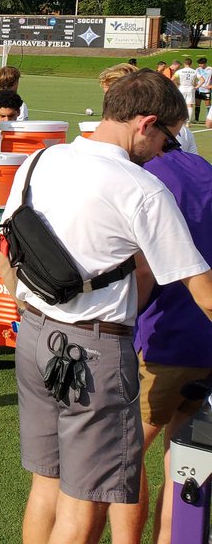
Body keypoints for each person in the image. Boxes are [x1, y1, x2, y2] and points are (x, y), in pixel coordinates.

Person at [0, 69, 212, 544]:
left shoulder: (40, 160)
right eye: (165, 138)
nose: (162, 152)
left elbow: (3, 249)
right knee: (85, 499)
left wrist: (33, 309)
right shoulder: (142, 188)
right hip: (92, 349)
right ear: (145, 123)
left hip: (32, 335)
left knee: (46, 484)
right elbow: (205, 293)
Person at [108, 148, 212, 544]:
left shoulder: (146, 179)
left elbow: (141, 268)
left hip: (166, 341)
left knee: (124, 457)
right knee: (185, 460)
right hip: (203, 336)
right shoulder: (202, 170)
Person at [174, 57, 199, 122]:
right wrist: (197, 87)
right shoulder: (194, 71)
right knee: (190, 105)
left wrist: (177, 83)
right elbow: (202, 80)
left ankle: (179, 119)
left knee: (180, 103)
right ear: (191, 64)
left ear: (184, 63)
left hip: (182, 88)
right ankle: (188, 121)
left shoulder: (179, 71)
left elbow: (172, 79)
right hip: (190, 88)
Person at [195, 56, 210, 123]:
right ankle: (196, 119)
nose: (199, 65)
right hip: (198, 90)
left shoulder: (210, 69)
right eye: (199, 64)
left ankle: (209, 119)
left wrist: (210, 86)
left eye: (201, 63)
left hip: (206, 91)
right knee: (197, 105)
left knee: (208, 105)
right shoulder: (197, 69)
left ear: (205, 63)